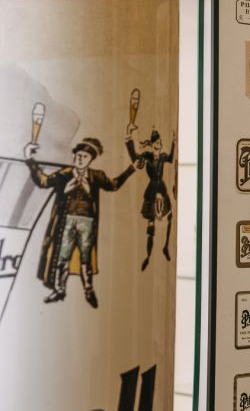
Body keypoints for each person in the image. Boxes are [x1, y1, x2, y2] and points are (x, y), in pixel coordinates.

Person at [24, 137, 135, 308]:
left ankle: (89, 290)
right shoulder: (65, 174)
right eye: (78, 155)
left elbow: (113, 185)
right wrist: (29, 159)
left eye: (84, 156)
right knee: (63, 256)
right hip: (66, 221)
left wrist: (131, 169)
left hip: (87, 222)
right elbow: (43, 181)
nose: (80, 158)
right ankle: (60, 290)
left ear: (91, 159)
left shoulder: (97, 175)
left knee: (86, 258)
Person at [126, 127, 176, 271]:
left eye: (159, 142)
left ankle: (166, 246)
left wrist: (173, 142)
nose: (158, 145)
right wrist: (129, 141)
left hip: (162, 188)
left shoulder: (162, 156)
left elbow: (172, 158)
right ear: (152, 144)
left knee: (170, 215)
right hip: (152, 188)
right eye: (155, 143)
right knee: (151, 224)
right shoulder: (147, 155)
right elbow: (135, 157)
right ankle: (148, 256)